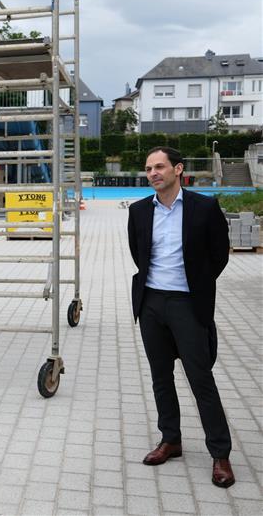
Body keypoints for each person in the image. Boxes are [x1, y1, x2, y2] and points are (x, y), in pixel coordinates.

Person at [127, 146, 234, 488]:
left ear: (178, 169)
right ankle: (170, 439)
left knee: (200, 378)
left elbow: (219, 255)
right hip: (151, 303)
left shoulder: (204, 208)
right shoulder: (139, 211)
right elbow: (138, 253)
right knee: (161, 376)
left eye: (159, 166)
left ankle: (220, 454)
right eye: (148, 169)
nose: (153, 173)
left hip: (188, 304)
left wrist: (198, 285)